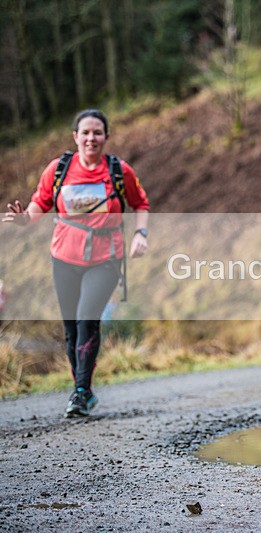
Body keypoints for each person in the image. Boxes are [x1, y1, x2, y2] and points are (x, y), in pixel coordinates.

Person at [3, 109, 150, 418]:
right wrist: (23, 220)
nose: (91, 138)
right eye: (85, 132)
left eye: (97, 132)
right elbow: (39, 204)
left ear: (106, 137)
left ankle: (80, 392)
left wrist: (140, 233)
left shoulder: (118, 170)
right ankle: (83, 388)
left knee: (87, 318)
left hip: (107, 256)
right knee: (71, 328)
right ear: (75, 137)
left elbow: (140, 203)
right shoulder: (58, 169)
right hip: (64, 256)